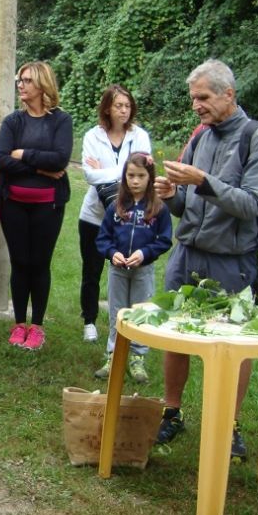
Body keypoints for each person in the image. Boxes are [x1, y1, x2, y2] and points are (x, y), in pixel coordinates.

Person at [153, 59, 258, 462]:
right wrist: (171, 195)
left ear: (229, 94)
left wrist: (203, 181)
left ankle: (229, 424)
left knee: (232, 343)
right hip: (186, 255)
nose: (196, 105)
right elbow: (186, 206)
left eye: (203, 97)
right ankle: (172, 412)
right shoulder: (201, 137)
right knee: (175, 334)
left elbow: (252, 204)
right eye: (193, 98)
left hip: (232, 261)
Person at [0, 62, 73, 351]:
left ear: (42, 84)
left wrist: (23, 153)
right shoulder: (13, 121)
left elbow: (60, 159)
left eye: (27, 80)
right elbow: (0, 160)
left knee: (39, 263)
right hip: (13, 203)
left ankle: (36, 325)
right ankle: (18, 323)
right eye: (19, 80)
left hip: (48, 206)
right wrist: (39, 168)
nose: (21, 85)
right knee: (20, 262)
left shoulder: (61, 120)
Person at [79, 85, 152, 344]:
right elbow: (89, 175)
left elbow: (144, 173)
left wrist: (107, 171)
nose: (124, 110)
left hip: (130, 217)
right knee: (92, 270)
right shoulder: (92, 136)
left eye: (127, 106)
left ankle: (129, 322)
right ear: (107, 108)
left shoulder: (139, 136)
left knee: (126, 269)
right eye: (118, 105)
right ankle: (89, 320)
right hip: (94, 216)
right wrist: (126, 171)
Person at [94, 152, 172, 382]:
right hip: (117, 270)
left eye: (141, 176)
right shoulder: (116, 206)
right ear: (124, 177)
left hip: (143, 271)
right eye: (130, 175)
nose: (135, 181)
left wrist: (144, 253)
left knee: (141, 312)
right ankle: (113, 354)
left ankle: (138, 357)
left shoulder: (159, 208)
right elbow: (103, 238)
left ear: (150, 178)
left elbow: (164, 240)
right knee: (116, 312)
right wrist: (112, 253)